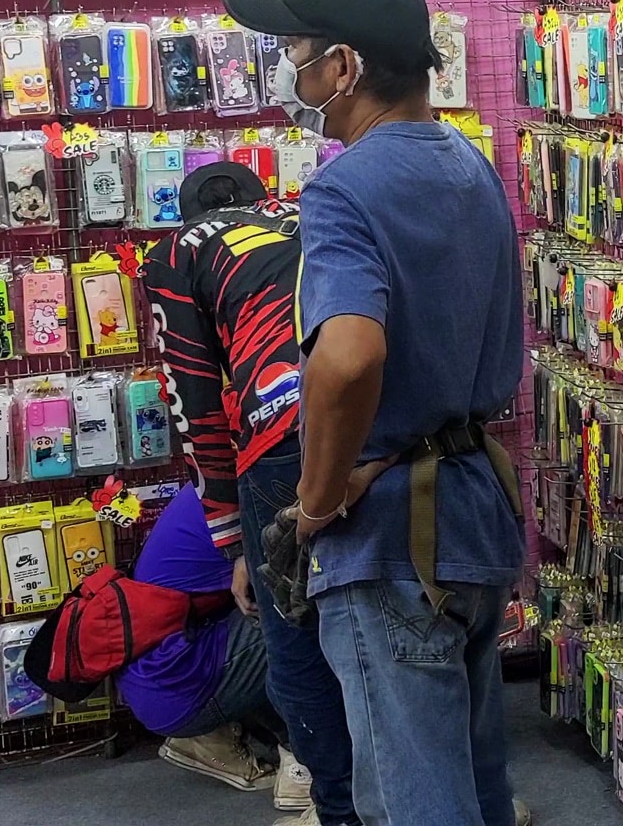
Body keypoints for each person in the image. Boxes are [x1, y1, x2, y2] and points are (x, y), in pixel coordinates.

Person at [224, 0, 529, 826]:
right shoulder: (470, 164)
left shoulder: (343, 188)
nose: (292, 71)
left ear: (344, 67)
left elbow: (349, 358)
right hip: (474, 510)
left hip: (393, 537)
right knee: (473, 781)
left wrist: (316, 502)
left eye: (298, 52)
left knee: (409, 799)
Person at [144, 162, 359, 826]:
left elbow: (195, 401)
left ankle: (337, 810)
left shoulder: (176, 253)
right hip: (383, 411)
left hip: (282, 424)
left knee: (295, 639)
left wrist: (234, 537)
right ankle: (456, 798)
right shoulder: (309, 210)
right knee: (385, 619)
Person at [118, 483, 278, 793]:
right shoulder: (259, 491)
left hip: (160, 681)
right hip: (177, 685)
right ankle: (302, 766)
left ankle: (211, 737)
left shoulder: (213, 487)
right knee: (297, 619)